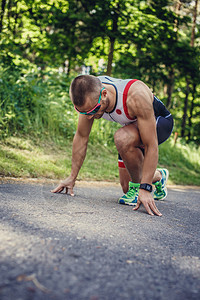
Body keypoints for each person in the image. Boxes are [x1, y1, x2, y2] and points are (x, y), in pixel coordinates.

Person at [51, 75, 174, 216]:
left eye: (92, 111)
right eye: (83, 112)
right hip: (131, 128)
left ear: (104, 94)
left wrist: (145, 188)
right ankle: (159, 176)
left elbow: (151, 145)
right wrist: (72, 177)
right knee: (126, 187)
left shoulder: (135, 95)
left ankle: (141, 185)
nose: (89, 116)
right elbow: (81, 136)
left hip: (160, 123)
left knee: (122, 138)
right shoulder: (88, 95)